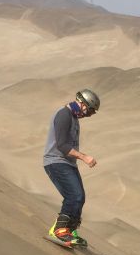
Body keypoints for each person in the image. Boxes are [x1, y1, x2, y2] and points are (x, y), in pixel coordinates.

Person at [43, 89, 101, 247]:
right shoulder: (64, 115)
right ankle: (59, 231)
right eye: (90, 110)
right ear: (82, 104)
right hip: (56, 161)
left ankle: (70, 230)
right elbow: (61, 145)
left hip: (67, 163)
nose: (90, 115)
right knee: (73, 196)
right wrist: (84, 157)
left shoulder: (74, 118)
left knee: (79, 197)